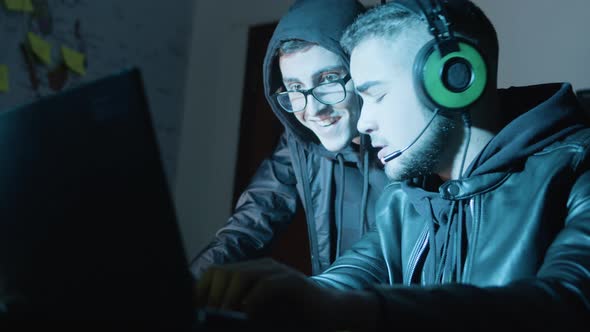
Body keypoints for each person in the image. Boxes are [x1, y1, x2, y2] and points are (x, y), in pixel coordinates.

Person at [194, 0, 590, 331]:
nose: (363, 123)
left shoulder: (578, 169)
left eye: (376, 95)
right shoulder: (404, 201)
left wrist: (353, 310)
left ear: (454, 79)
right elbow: (345, 278)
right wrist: (282, 296)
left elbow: (569, 303)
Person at [190, 0, 389, 280]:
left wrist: (323, 295)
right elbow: (250, 222)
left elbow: (388, 241)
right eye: (296, 88)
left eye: (328, 79)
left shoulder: (407, 142)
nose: (313, 110)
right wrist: (187, 289)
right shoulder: (301, 143)